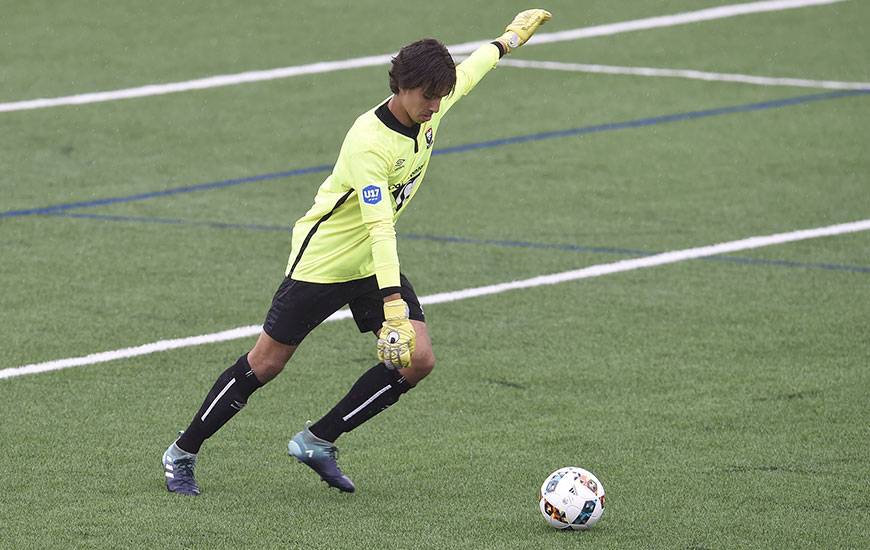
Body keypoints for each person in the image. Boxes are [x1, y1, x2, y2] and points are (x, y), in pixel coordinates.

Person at [162, 9, 552, 495]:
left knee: (418, 360)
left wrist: (509, 39)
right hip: (325, 262)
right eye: (429, 96)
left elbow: (471, 71)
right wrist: (393, 305)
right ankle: (182, 452)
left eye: (441, 96)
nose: (436, 105)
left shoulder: (434, 104)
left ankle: (318, 440)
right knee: (266, 362)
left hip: (370, 264)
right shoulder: (369, 142)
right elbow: (379, 224)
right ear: (404, 87)